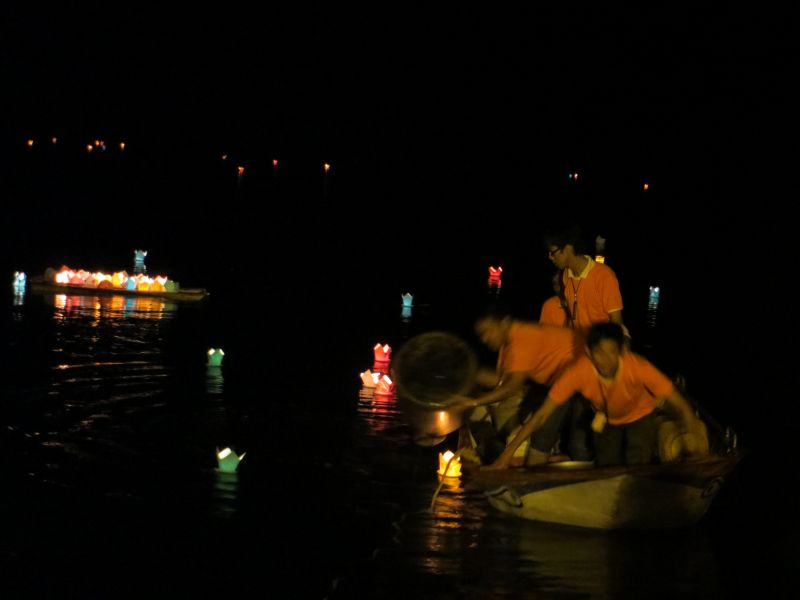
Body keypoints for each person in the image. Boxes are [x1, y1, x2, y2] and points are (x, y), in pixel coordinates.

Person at [485, 322, 707, 469]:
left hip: (641, 416)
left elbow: (680, 404)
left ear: (622, 351)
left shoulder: (638, 367)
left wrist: (697, 451)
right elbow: (542, 415)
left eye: (612, 352)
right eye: (599, 353)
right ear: (589, 353)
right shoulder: (578, 372)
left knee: (638, 462)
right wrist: (505, 457)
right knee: (606, 466)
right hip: (608, 419)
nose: (606, 360)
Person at [451, 303, 588, 465]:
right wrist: (468, 375)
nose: (485, 339)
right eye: (481, 335)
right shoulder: (508, 343)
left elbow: (510, 388)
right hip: (559, 383)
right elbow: (501, 381)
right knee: (541, 435)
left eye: (487, 331)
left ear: (504, 323)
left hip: (583, 381)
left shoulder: (522, 338)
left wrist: (472, 402)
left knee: (563, 441)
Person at [544, 225, 626, 341]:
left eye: (553, 252)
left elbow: (616, 324)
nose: (551, 257)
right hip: (578, 346)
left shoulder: (604, 276)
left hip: (599, 347)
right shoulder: (565, 276)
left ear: (567, 248)